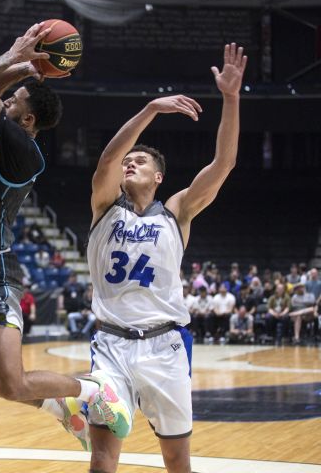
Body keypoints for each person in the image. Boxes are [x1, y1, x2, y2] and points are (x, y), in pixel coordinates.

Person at [0, 22, 129, 454]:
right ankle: (60, 407)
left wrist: (14, 55)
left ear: (26, 120)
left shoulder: (22, 150)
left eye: (13, 101)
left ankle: (92, 390)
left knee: (11, 383)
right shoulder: (1, 140)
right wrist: (27, 70)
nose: (4, 100)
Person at [83, 43, 246, 472]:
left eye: (139, 161)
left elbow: (224, 162)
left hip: (166, 345)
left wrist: (231, 98)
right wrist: (151, 108)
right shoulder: (105, 206)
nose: (128, 164)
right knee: (102, 456)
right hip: (111, 344)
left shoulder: (177, 211)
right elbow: (106, 161)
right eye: (127, 161)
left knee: (176, 460)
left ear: (158, 177)